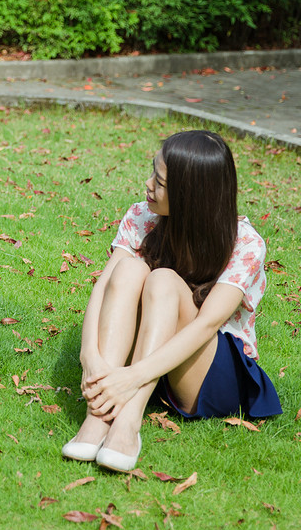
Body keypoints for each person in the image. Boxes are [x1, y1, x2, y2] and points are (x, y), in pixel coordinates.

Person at [63, 130, 281, 472]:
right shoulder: (141, 216)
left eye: (160, 182)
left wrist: (131, 377)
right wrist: (89, 356)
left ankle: (128, 422)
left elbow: (207, 324)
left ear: (192, 195)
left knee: (163, 280)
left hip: (210, 368)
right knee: (129, 270)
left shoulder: (246, 244)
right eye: (153, 171)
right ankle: (98, 417)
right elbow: (104, 287)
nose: (148, 185)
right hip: (153, 357)